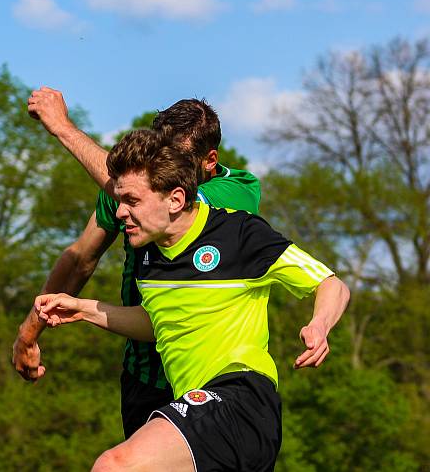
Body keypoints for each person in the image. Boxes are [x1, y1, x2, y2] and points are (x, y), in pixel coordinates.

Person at [34, 130, 350, 471]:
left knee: (115, 466)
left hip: (240, 396)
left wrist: (319, 325)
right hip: (198, 409)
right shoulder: (148, 257)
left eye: (132, 201)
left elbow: (331, 285)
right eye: (120, 200)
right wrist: (85, 309)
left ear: (175, 199)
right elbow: (157, 324)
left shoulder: (239, 234)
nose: (120, 211)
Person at [13, 88, 260, 438]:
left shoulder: (237, 191)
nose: (167, 173)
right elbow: (81, 259)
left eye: (181, 163)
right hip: (144, 379)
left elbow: (156, 200)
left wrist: (64, 129)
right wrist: (29, 332)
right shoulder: (130, 189)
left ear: (209, 160)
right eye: (162, 158)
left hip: (213, 379)